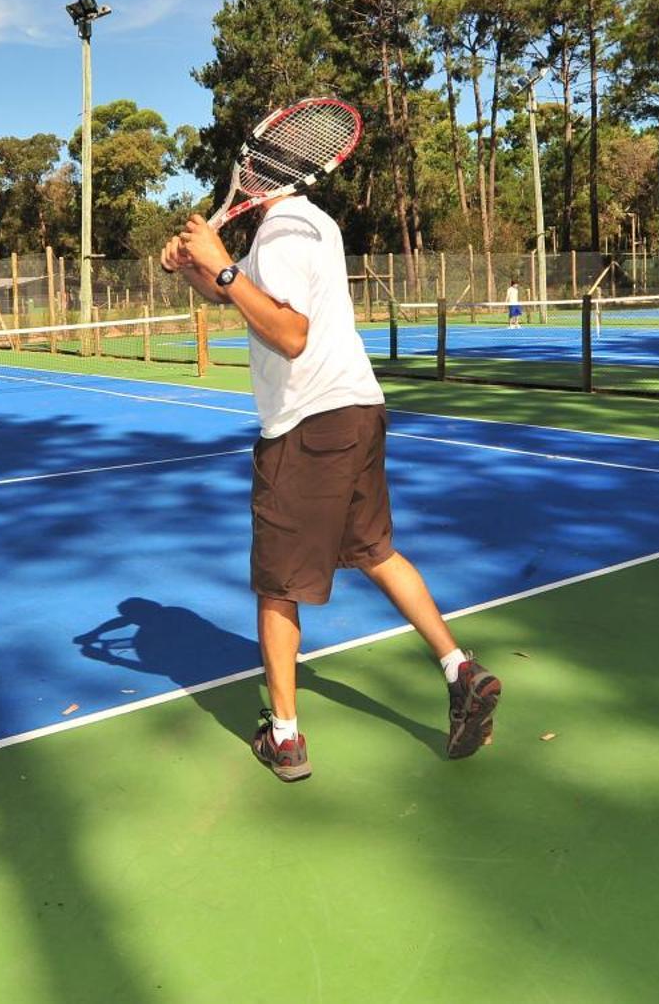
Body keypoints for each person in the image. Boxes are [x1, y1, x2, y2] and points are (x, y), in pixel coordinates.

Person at [163, 197, 500, 784]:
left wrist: (220, 265)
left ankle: (286, 738)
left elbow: (288, 333)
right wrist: (199, 268)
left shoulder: (281, 233)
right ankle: (460, 670)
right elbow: (242, 297)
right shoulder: (309, 221)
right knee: (375, 551)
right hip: (357, 410)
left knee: (276, 584)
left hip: (307, 424)